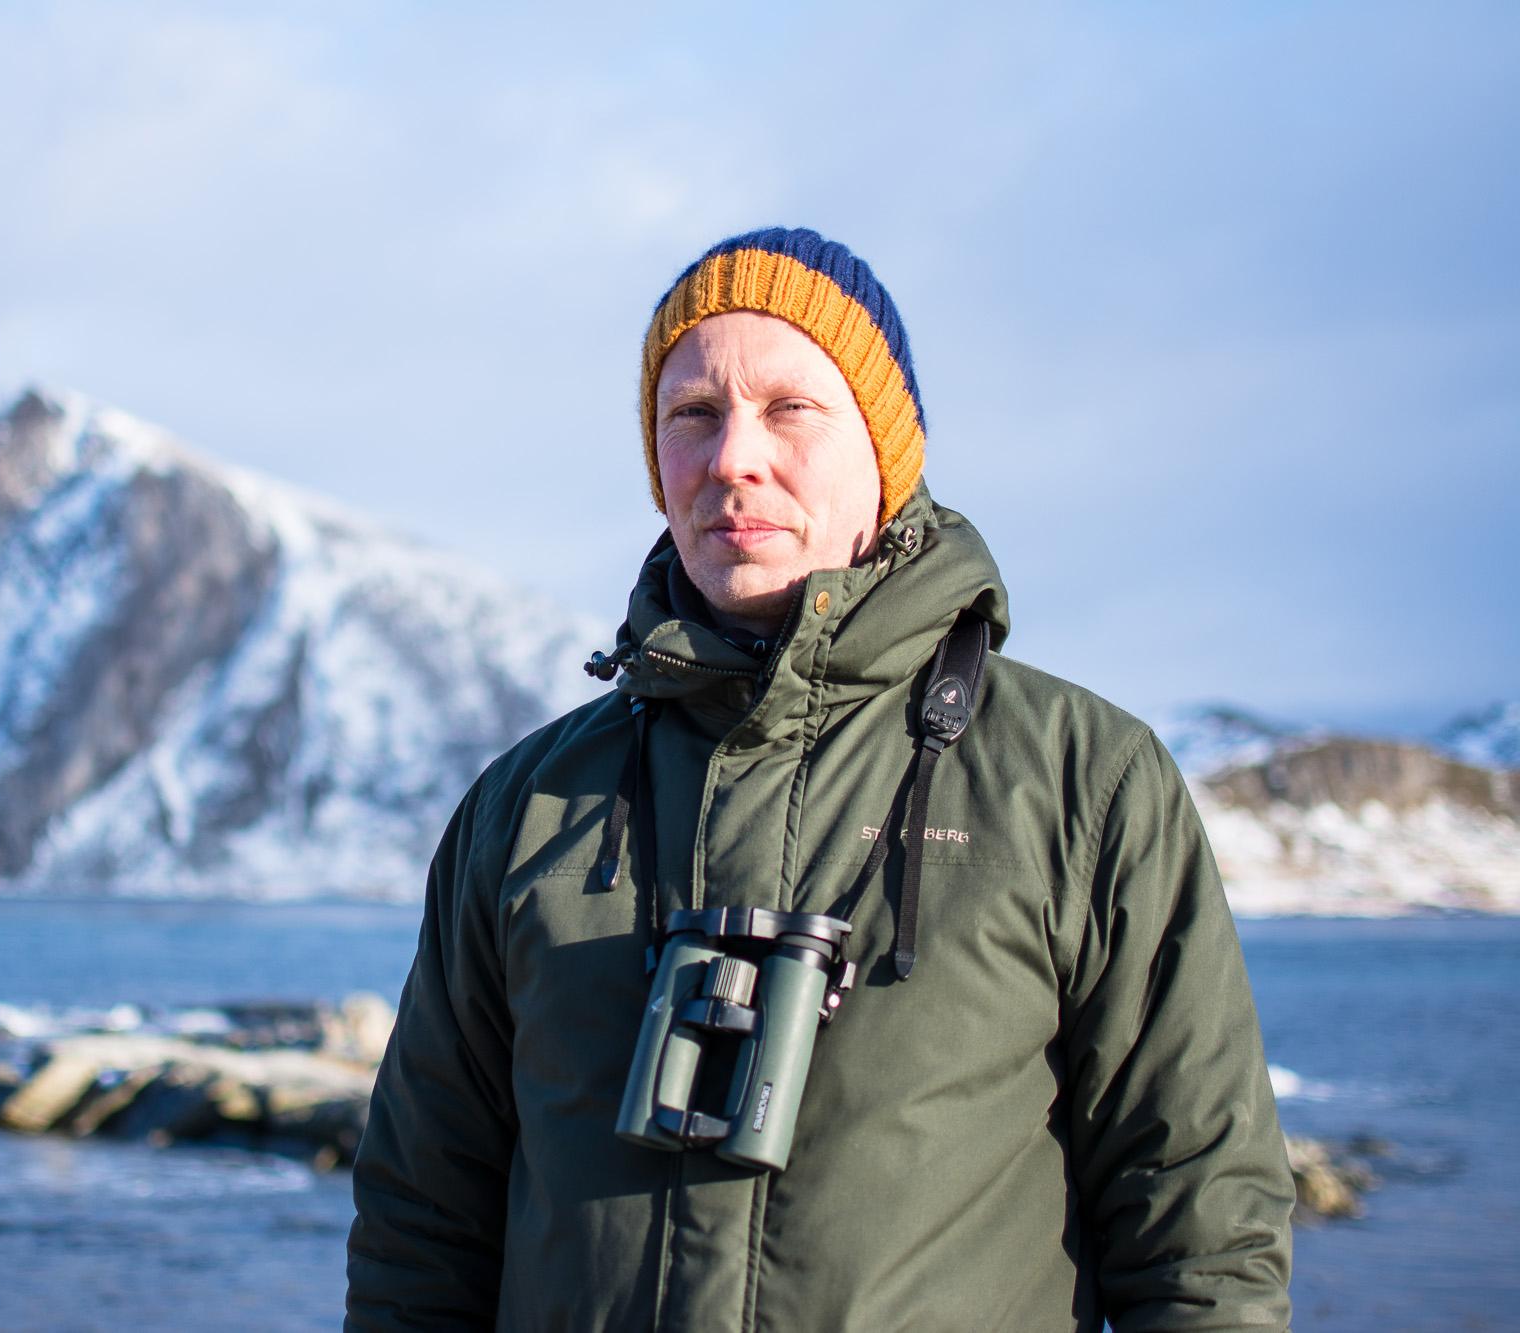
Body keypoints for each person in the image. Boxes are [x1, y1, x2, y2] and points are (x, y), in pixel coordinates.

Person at [345, 227, 1294, 1331]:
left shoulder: (1084, 786)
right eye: (691, 414)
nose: (732, 455)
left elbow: (1202, 1233)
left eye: (788, 408)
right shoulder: (526, 808)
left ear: (886, 451)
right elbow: (421, 1224)